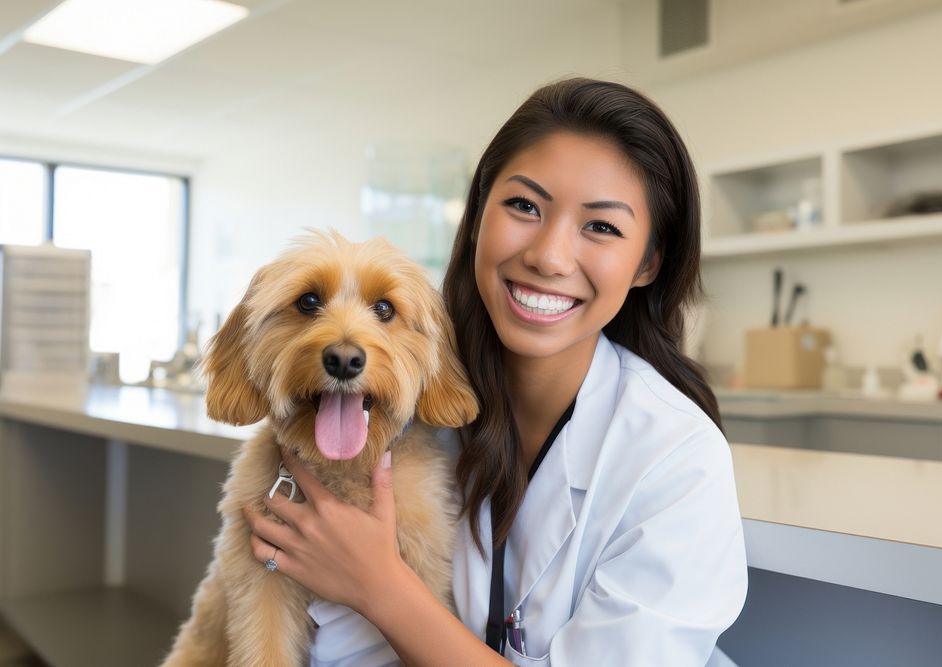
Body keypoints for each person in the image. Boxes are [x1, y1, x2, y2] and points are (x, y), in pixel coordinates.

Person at [244, 77, 748, 666]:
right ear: (479, 213)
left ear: (647, 264)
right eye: (525, 206)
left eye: (602, 227)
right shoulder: (398, 395)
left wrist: (380, 587)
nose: (549, 256)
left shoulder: (677, 461)